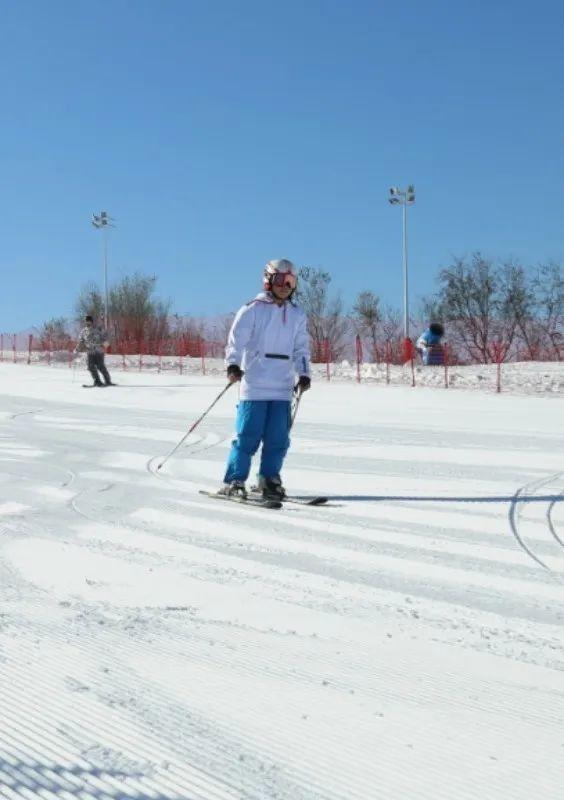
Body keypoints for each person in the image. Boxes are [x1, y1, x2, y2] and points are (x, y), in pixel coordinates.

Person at [220, 259, 311, 500]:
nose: (285, 286)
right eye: (280, 280)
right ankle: (235, 480)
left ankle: (268, 479)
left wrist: (304, 373)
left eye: (290, 282)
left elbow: (301, 347)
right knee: (247, 437)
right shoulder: (253, 309)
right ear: (268, 280)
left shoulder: (297, 314)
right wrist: (232, 364)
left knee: (278, 439)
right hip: (256, 385)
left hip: (282, 387)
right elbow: (236, 340)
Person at [74, 315, 115, 386]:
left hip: (99, 351)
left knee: (100, 366)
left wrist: (104, 346)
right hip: (90, 352)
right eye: (86, 321)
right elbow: (81, 341)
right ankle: (97, 381)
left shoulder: (98, 329)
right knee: (90, 366)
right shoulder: (83, 331)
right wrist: (77, 349)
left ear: (92, 321)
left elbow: (107, 338)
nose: (87, 323)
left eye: (89, 321)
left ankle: (107, 380)